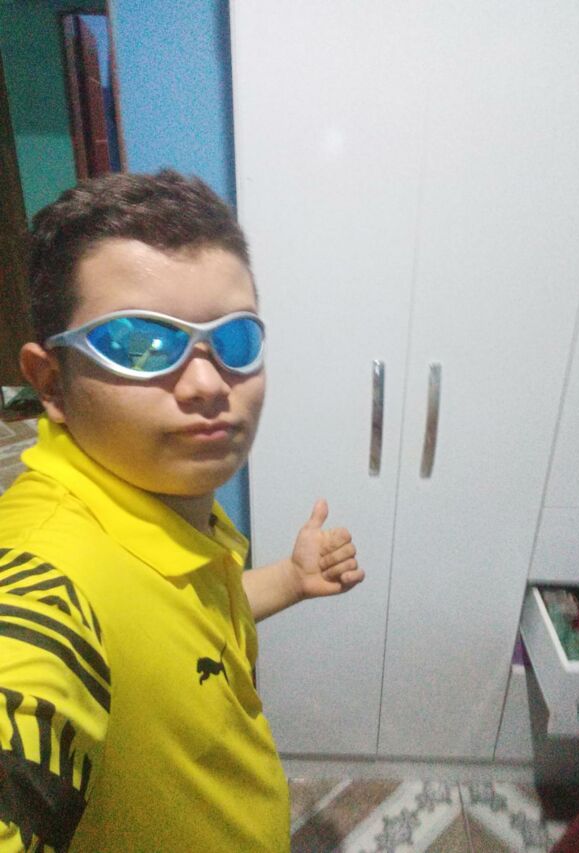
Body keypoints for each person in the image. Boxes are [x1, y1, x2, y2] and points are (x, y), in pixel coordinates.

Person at [0, 170, 364, 852]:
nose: (207, 383)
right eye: (139, 343)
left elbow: (183, 620)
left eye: (234, 340)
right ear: (52, 382)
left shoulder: (161, 499)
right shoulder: (43, 583)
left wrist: (290, 578)